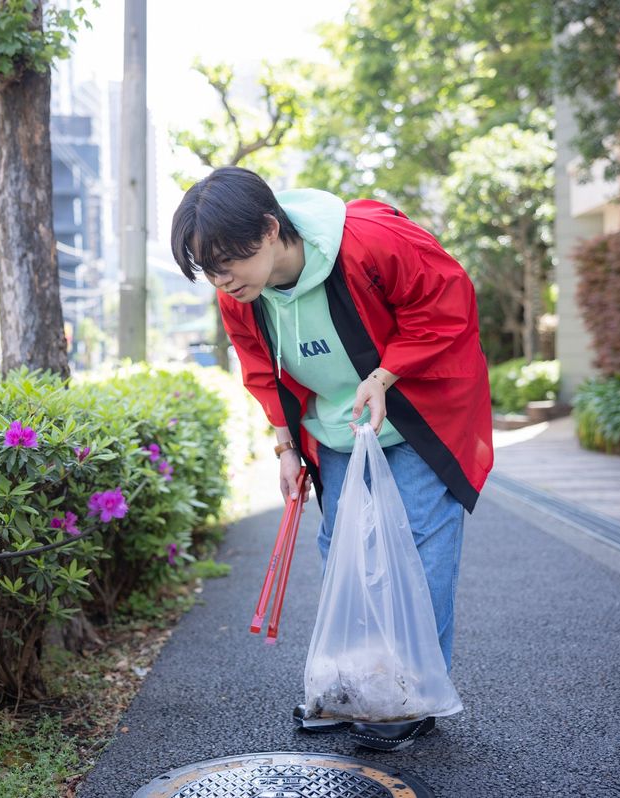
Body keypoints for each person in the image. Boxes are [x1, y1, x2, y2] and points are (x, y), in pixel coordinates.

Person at [170, 166, 493, 751]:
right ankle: (357, 688)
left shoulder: (369, 241)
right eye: (208, 269)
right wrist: (285, 446)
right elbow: (260, 367)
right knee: (346, 549)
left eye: (226, 262)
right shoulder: (241, 295)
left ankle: (412, 695)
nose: (221, 280)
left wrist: (385, 374)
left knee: (417, 549)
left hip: (417, 415)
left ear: (270, 230)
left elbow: (446, 304)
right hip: (339, 428)